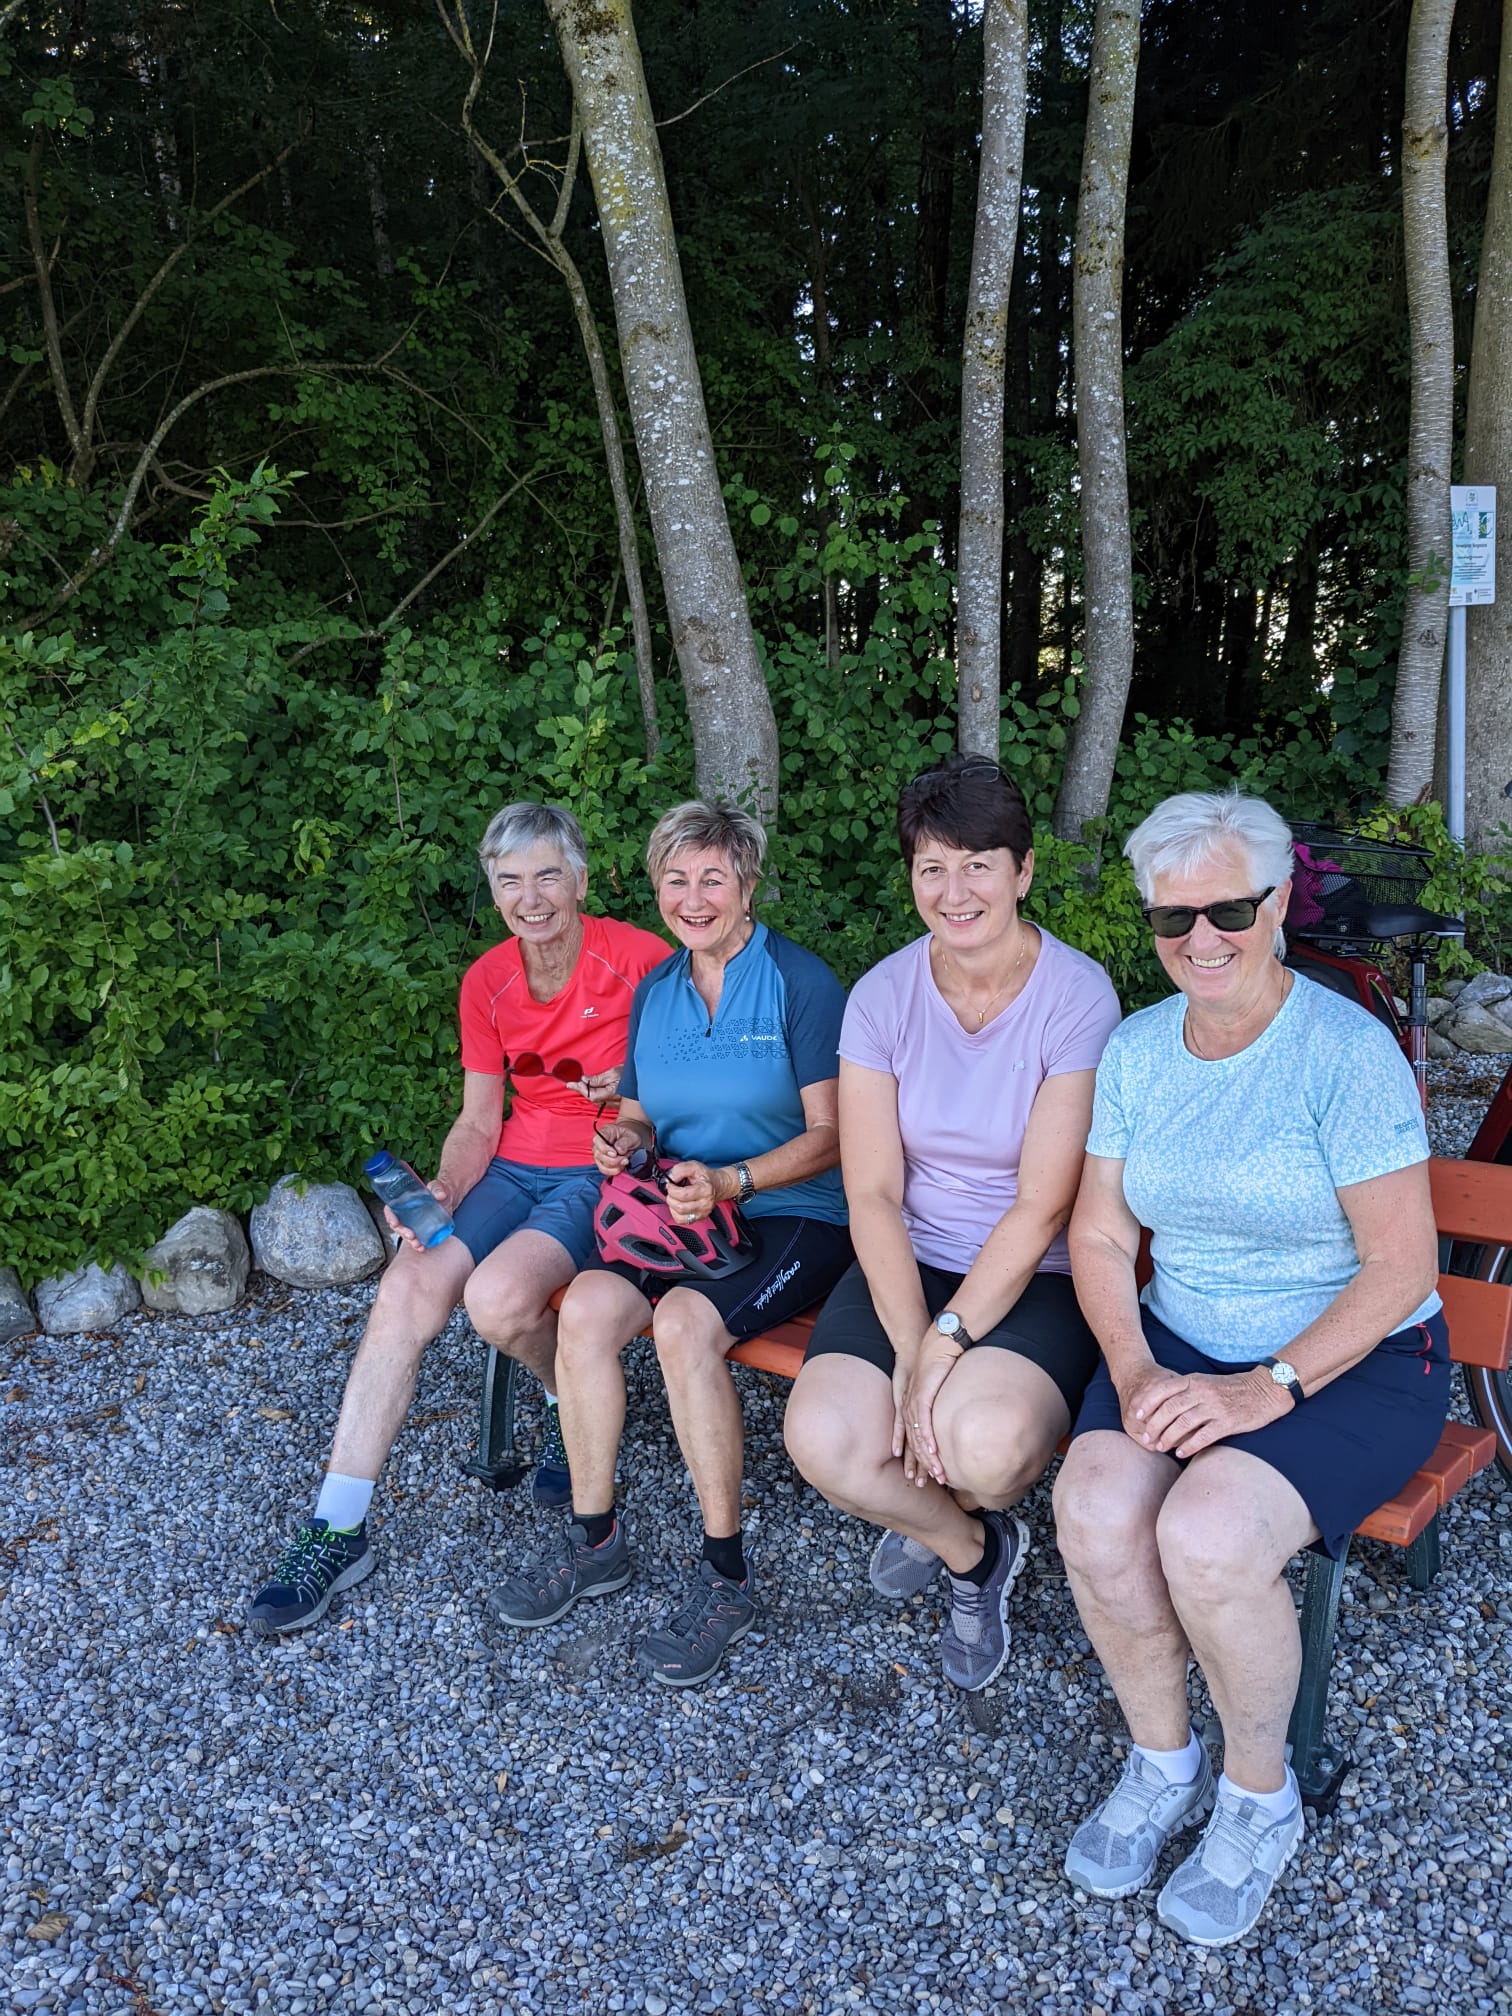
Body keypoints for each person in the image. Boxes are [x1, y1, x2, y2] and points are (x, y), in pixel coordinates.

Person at [1054, 790, 1446, 1947]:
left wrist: (1262, 1388)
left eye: (1228, 907)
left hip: (1354, 1356)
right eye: (1174, 920)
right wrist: (1127, 1366)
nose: (1202, 939)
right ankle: (1161, 1762)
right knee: (1091, 1506)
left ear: (1276, 902)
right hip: (1177, 1341)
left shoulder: (1344, 1052)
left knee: (1208, 1538)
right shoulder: (1136, 1048)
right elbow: (1098, 1236)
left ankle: (1258, 1797)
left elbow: (1399, 1266)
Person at [246, 802, 668, 1635]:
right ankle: (338, 1526)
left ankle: (565, 1407)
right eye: (510, 880)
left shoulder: (642, 961)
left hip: (600, 1166)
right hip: (511, 1163)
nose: (532, 896)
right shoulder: (488, 980)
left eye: (549, 874)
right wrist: (442, 1188)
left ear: (581, 880)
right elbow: (480, 1119)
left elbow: (680, 1085)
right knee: (404, 1291)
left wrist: (628, 1103)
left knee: (499, 1300)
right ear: (493, 890)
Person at [487, 800, 853, 1687]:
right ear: (655, 888)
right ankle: (594, 1540)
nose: (694, 898)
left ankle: (726, 1576)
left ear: (748, 884)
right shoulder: (656, 992)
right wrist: (626, 1142)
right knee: (583, 1313)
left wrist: (735, 1181)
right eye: (677, 880)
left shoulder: (801, 983)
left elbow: (834, 1132)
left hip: (794, 1213)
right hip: (681, 1211)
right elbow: (643, 1117)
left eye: (713, 879)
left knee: (688, 1327)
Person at [783, 755, 1121, 1691]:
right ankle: (975, 1550)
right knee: (825, 1440)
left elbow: (1043, 1203)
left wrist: (947, 1344)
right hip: (910, 1258)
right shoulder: (883, 996)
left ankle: (952, 1507)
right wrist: (910, 1342)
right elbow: (873, 1193)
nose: (955, 888)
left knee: (982, 1444)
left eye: (978, 863)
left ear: (1022, 872)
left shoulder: (1077, 997)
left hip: (1036, 1272)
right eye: (932, 867)